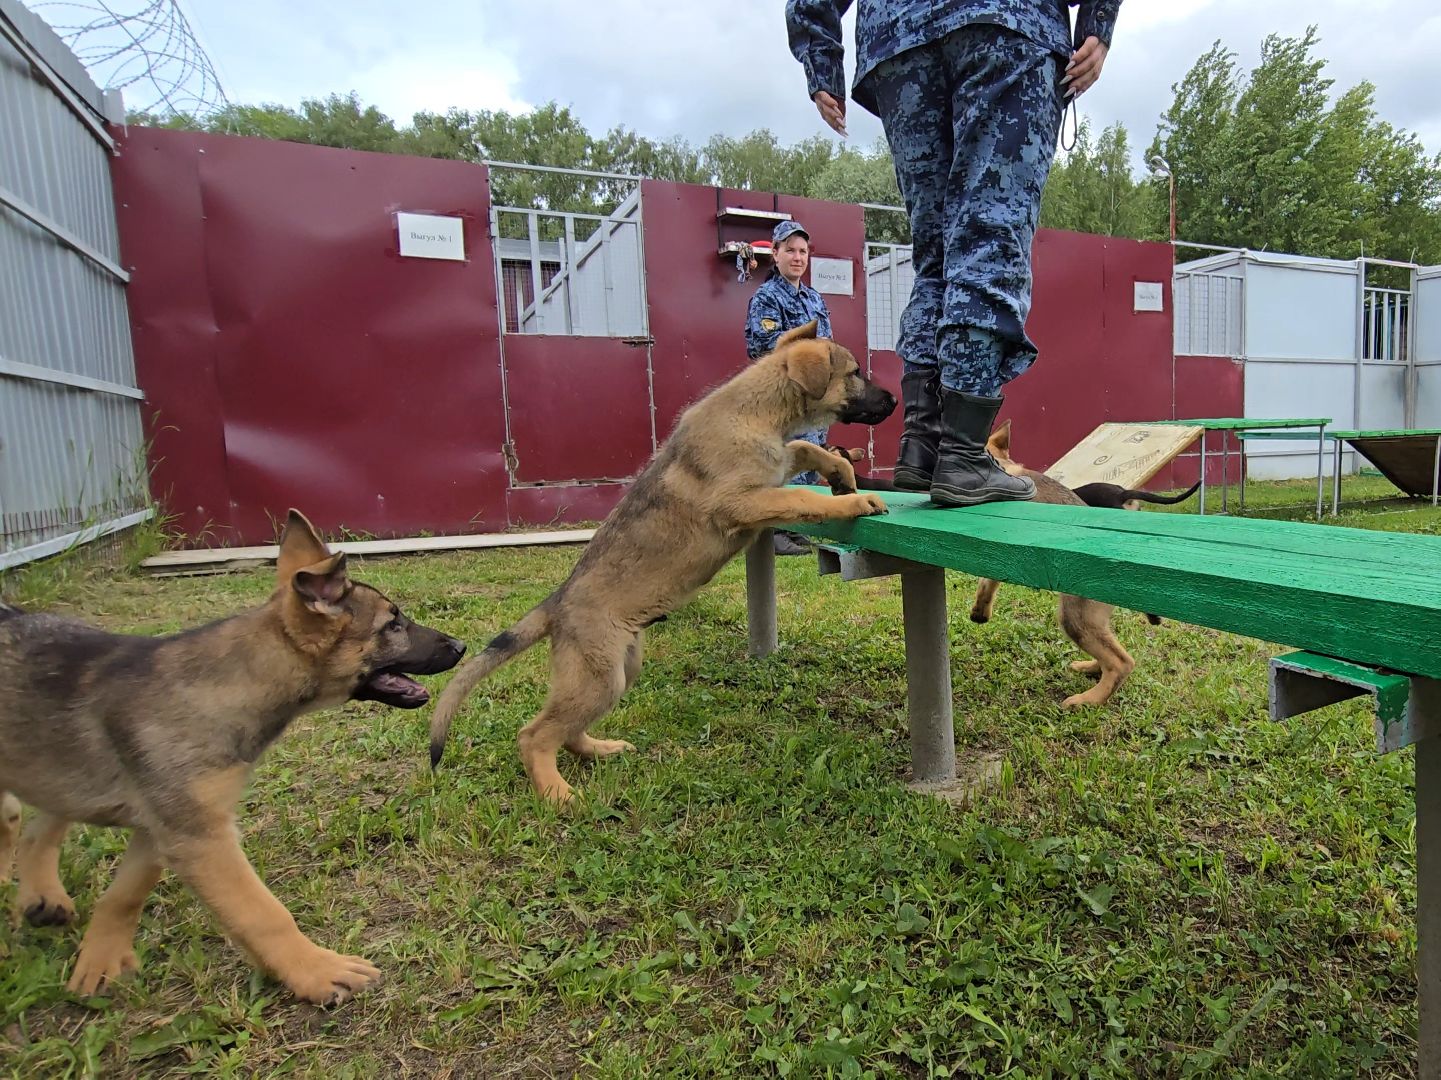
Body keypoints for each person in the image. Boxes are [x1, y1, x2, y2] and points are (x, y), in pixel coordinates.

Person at [786, 0, 1121, 506]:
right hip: (1005, 25)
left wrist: (821, 60)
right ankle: (963, 456)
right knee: (989, 237)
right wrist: (1098, 20)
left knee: (937, 256)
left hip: (897, 42)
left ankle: (922, 449)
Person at [745, 219, 835, 555]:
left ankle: (798, 525)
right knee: (785, 456)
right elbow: (764, 346)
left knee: (811, 454)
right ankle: (777, 529)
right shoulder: (766, 298)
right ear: (775, 254)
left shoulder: (814, 298)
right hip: (782, 396)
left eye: (802, 251)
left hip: (813, 395)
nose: (797, 257)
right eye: (790, 250)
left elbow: (828, 344)